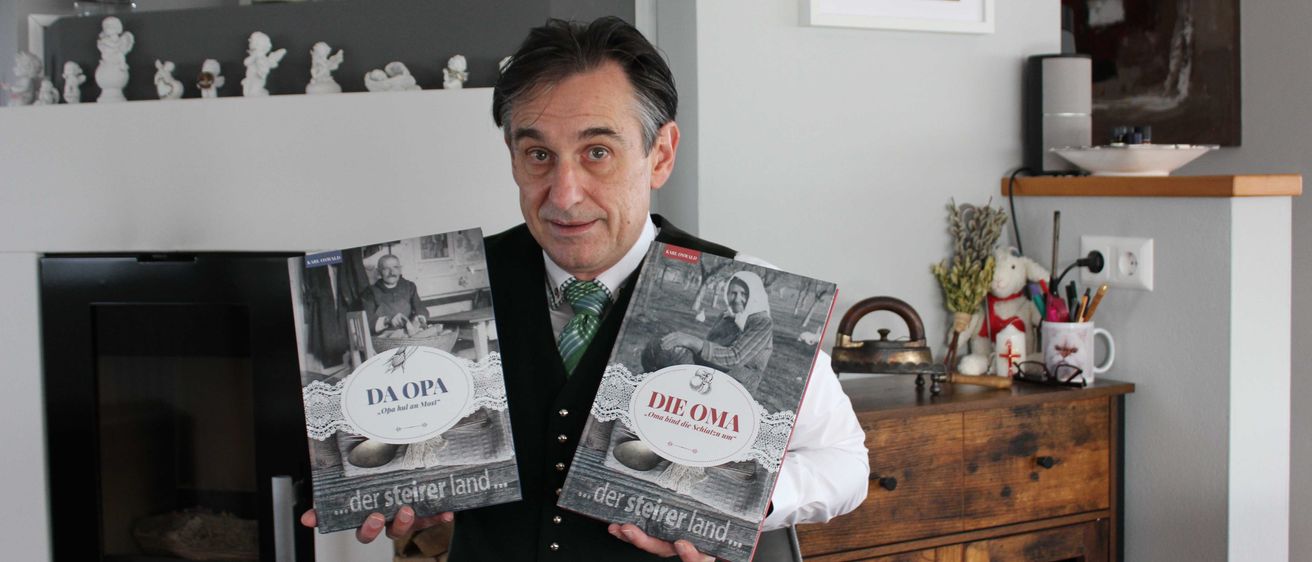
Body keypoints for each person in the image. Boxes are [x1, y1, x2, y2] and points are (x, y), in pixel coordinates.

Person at [303, 17, 868, 561]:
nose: (564, 194)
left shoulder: (743, 285)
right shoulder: (478, 275)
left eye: (597, 152)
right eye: (538, 155)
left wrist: (743, 505)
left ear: (661, 154)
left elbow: (844, 462)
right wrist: (408, 490)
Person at [650, 271, 774, 392]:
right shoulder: (726, 316)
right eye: (733, 293)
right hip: (712, 370)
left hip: (737, 384)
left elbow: (735, 358)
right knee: (665, 351)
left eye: (744, 294)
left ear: (756, 295)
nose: (737, 299)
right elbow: (709, 348)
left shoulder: (761, 322)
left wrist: (692, 342)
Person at [361, 254, 428, 335]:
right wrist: (388, 321)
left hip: (408, 335)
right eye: (386, 268)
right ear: (378, 272)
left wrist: (419, 318)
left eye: (395, 267)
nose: (392, 272)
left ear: (400, 269)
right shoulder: (370, 292)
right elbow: (367, 322)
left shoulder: (410, 287)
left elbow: (420, 307)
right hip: (383, 339)